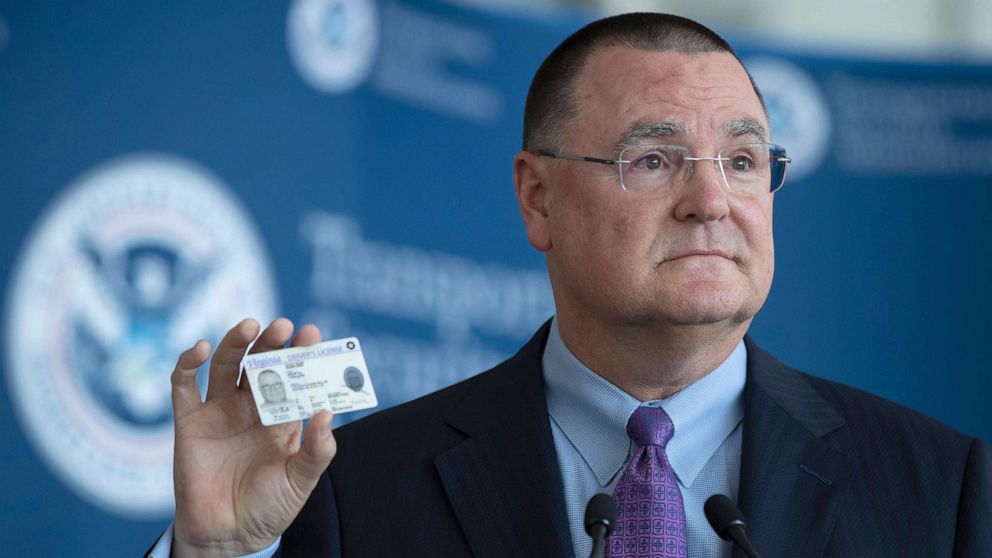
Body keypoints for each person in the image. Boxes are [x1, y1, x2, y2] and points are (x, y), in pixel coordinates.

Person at [149, 12, 991, 558]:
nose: (711, 203)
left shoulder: (941, 490)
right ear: (537, 196)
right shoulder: (353, 494)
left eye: (741, 161)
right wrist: (217, 554)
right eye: (654, 160)